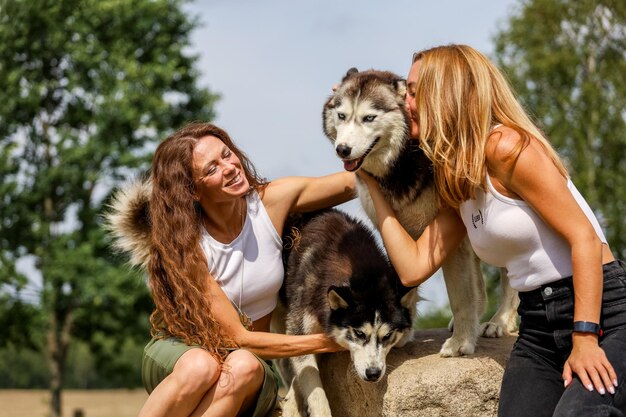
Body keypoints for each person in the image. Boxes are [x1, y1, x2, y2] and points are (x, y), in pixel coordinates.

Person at [357, 44, 626, 416]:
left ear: (445, 95)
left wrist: (584, 338)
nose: (406, 103)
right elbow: (413, 267)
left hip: (604, 314)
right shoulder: (456, 176)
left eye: (414, 92)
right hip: (537, 326)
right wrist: (370, 181)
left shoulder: (506, 147)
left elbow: (585, 239)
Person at [114, 122, 355, 417]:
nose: (229, 167)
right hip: (180, 354)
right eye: (211, 169)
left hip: (251, 366)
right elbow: (237, 337)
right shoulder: (187, 246)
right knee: (201, 366)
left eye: (227, 154)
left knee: (243, 365)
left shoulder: (270, 203)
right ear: (192, 191)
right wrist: (330, 340)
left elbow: (351, 183)